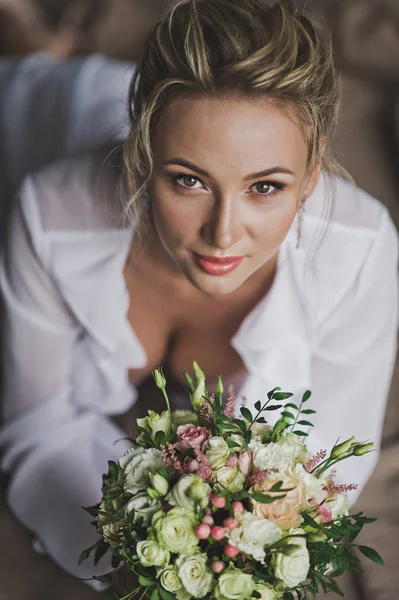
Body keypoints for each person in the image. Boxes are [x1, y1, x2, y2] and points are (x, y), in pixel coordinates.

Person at [0, 0, 398, 594]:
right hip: (57, 116)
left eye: (266, 187)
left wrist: (236, 561)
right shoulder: (50, 218)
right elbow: (37, 425)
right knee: (30, 75)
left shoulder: (360, 249)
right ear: (142, 160)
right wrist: (126, 560)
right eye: (187, 180)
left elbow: (327, 468)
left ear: (312, 174)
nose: (223, 233)